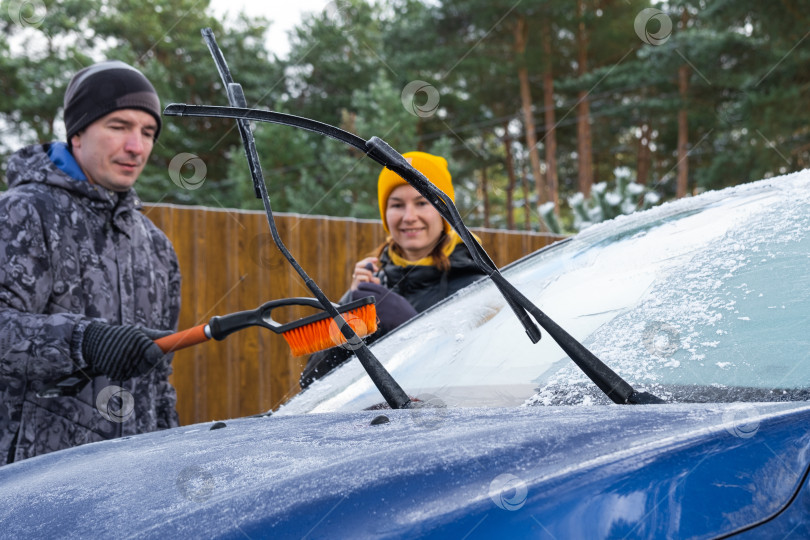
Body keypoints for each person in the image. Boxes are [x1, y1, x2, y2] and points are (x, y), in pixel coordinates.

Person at [0, 60, 181, 465]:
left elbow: (159, 382)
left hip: (132, 478)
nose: (136, 146)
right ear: (77, 133)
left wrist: (170, 460)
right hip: (34, 480)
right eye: (119, 126)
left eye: (147, 132)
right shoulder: (22, 214)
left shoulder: (157, 246)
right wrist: (84, 342)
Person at [299, 151, 486, 388]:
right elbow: (311, 383)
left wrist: (411, 327)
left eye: (422, 202)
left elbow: (479, 379)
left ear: (444, 211)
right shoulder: (372, 284)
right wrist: (349, 318)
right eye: (397, 205)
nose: (409, 217)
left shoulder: (478, 289)